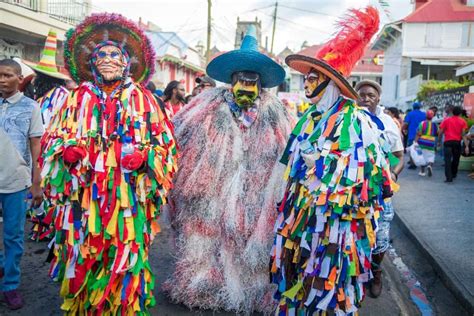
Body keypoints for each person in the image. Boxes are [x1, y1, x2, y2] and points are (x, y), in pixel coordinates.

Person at [39, 13, 177, 314]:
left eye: (115, 54)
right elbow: (52, 139)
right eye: (101, 54)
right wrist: (66, 151)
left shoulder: (146, 100)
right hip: (84, 199)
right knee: (84, 256)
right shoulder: (76, 99)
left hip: (128, 203)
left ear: (127, 61)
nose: (107, 59)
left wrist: (147, 158)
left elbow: (166, 147)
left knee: (125, 257)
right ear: (91, 63)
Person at [270, 7, 394, 315]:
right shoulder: (310, 120)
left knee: (328, 284)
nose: (306, 84)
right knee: (301, 277)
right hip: (302, 223)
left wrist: (324, 170)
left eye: (312, 78)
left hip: (334, 230)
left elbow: (366, 181)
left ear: (330, 82)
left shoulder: (355, 122)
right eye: (305, 78)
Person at [164, 26, 292, 314]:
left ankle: (249, 292)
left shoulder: (278, 112)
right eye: (240, 80)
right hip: (212, 189)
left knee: (248, 241)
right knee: (206, 239)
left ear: (261, 84)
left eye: (252, 81)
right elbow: (178, 137)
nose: (246, 86)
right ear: (231, 80)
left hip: (256, 192)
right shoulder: (206, 107)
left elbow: (287, 152)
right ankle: (204, 286)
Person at [0, 58, 44, 310]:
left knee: (13, 236)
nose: (2, 79)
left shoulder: (30, 107)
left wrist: (36, 181)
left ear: (19, 79)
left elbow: (36, 145)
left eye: (7, 75)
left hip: (16, 181)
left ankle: (11, 284)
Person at [356, 79, 404, 298]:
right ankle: (354, 275)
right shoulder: (349, 120)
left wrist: (393, 174)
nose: (366, 98)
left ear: (378, 99)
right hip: (353, 192)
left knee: (380, 237)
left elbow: (399, 157)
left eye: (371, 95)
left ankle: (376, 274)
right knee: (354, 236)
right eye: (362, 95)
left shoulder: (388, 123)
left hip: (381, 193)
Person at [439, 106, 469, 182]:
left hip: (447, 142)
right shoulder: (462, 121)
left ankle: (449, 178)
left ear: (452, 112)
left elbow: (441, 132)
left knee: (447, 160)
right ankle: (454, 173)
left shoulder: (446, 120)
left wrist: (439, 141)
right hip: (457, 142)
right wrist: (466, 146)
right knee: (456, 159)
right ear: (460, 113)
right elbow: (463, 134)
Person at [415, 110, 438, 177]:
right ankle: (429, 165)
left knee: (422, 156)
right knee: (431, 155)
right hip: (431, 141)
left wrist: (415, 141)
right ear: (432, 116)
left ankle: (422, 171)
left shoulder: (422, 123)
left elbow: (419, 133)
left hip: (422, 141)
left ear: (426, 116)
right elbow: (437, 133)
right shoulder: (435, 125)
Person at [403, 101, 426, 168]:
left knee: (412, 149)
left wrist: (403, 129)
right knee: (420, 149)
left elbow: (406, 123)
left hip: (412, 134)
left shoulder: (410, 114)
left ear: (413, 107)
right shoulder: (424, 114)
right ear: (420, 107)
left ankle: (412, 164)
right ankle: (422, 162)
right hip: (422, 135)